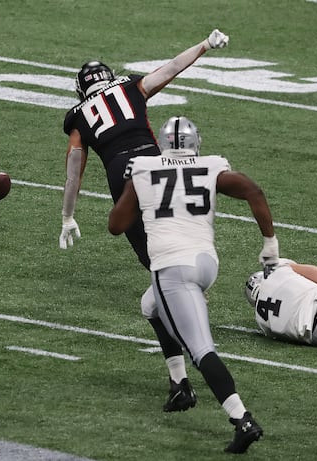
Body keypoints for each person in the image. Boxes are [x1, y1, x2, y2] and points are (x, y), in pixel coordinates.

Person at [58, 29, 229, 412]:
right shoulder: (131, 88)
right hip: (163, 171)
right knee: (180, 238)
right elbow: (171, 69)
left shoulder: (79, 115)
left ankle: (182, 373)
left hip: (128, 180)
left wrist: (68, 216)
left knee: (159, 274)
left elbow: (74, 170)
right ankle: (191, 294)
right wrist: (203, 45)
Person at [108, 116, 280, 453]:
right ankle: (179, 384)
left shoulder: (143, 167)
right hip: (205, 262)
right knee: (150, 306)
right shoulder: (212, 165)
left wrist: (138, 191)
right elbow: (251, 190)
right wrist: (270, 243)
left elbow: (116, 225)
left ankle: (241, 418)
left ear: (162, 144)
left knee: (201, 349)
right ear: (195, 143)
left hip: (172, 268)